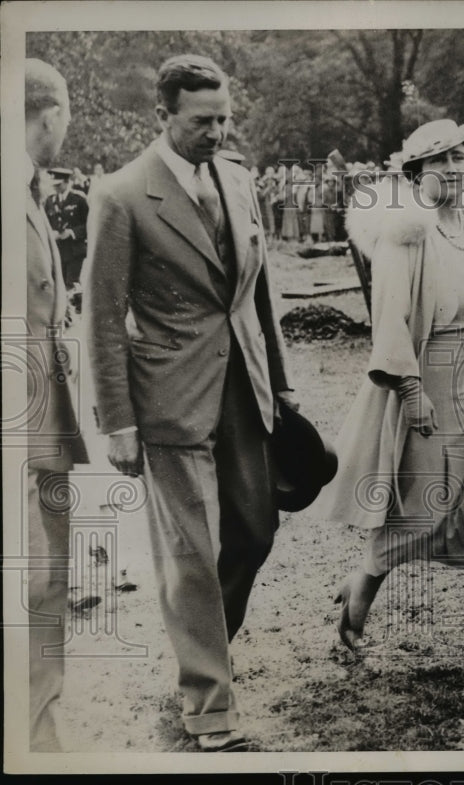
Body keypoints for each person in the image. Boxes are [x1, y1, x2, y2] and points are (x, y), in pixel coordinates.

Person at [86, 54, 294, 751]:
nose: (218, 131)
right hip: (169, 398)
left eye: (225, 117)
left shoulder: (238, 179)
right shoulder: (121, 195)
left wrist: (282, 380)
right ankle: (209, 708)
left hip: (243, 386)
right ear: (163, 116)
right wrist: (116, 420)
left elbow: (260, 291)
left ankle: (203, 647)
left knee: (257, 530)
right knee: (191, 556)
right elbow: (102, 316)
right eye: (202, 120)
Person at [327, 118, 464, 666]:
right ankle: (359, 593)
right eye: (439, 161)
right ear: (415, 172)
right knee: (416, 510)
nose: (453, 169)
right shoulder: (407, 233)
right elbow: (390, 320)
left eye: (461, 158)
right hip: (428, 381)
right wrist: (413, 392)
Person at [22, 57, 89, 753]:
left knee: (47, 576)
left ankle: (41, 722)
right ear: (53, 114)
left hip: (44, 424)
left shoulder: (31, 190)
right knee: (39, 575)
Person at [44, 167, 88, 303]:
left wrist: (71, 232)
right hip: (57, 251)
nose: (56, 188)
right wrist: (51, 232)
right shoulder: (50, 201)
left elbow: (89, 224)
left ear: (67, 182)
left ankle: (74, 314)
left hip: (75, 250)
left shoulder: (78, 199)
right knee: (58, 284)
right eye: (54, 185)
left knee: (71, 284)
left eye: (59, 185)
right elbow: (47, 223)